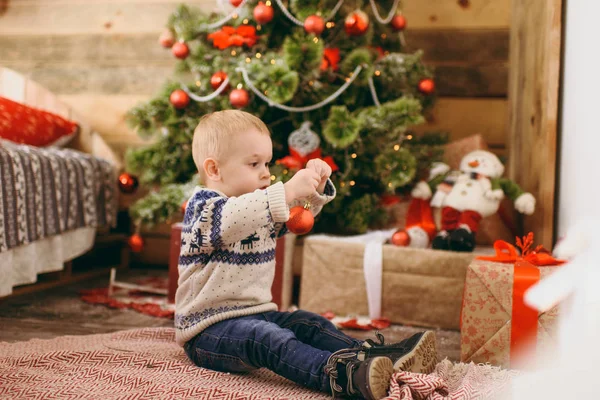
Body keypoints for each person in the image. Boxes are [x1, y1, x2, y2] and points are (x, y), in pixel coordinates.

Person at [175, 110, 438, 399]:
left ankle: (373, 357)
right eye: (254, 163)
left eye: (266, 163)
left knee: (309, 323)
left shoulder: (260, 208)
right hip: (208, 331)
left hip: (257, 313)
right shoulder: (205, 211)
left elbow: (297, 218)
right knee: (269, 340)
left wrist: (316, 188)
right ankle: (339, 377)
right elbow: (235, 218)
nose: (266, 172)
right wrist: (286, 189)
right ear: (214, 170)